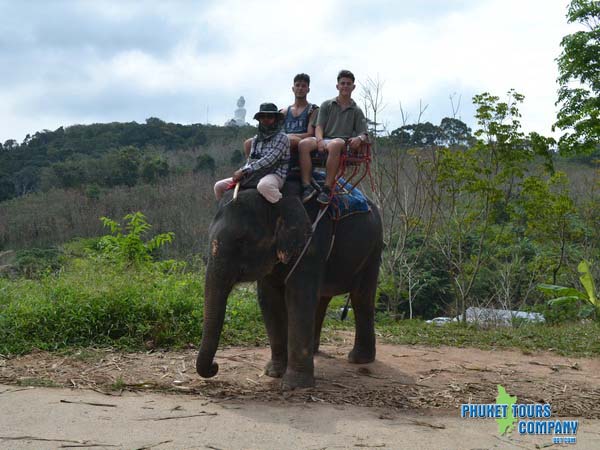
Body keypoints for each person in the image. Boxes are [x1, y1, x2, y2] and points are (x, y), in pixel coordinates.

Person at [298, 70, 368, 205]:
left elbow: (363, 133)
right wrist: (319, 140)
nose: (345, 86)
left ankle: (327, 188)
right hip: (323, 138)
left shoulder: (356, 111)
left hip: (341, 142)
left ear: (353, 87)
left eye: (348, 84)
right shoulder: (327, 105)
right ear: (337, 86)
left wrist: (359, 139)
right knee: (304, 144)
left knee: (336, 144)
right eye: (342, 83)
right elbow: (319, 127)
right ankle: (306, 186)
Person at [214, 103, 290, 204]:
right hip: (255, 174)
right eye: (262, 117)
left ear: (275, 119)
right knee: (219, 186)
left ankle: (283, 211)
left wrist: (244, 171)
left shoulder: (282, 138)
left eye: (270, 117)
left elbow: (270, 160)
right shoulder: (256, 139)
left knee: (264, 186)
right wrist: (241, 171)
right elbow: (250, 160)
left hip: (275, 174)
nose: (266, 119)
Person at [243, 73, 318, 157]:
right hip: (280, 138)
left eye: (303, 86)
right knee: (249, 143)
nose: (300, 88)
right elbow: (273, 129)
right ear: (293, 88)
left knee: (288, 140)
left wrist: (288, 136)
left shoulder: (312, 110)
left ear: (308, 89)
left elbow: (310, 134)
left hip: (299, 140)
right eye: (297, 85)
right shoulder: (284, 111)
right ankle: (251, 166)